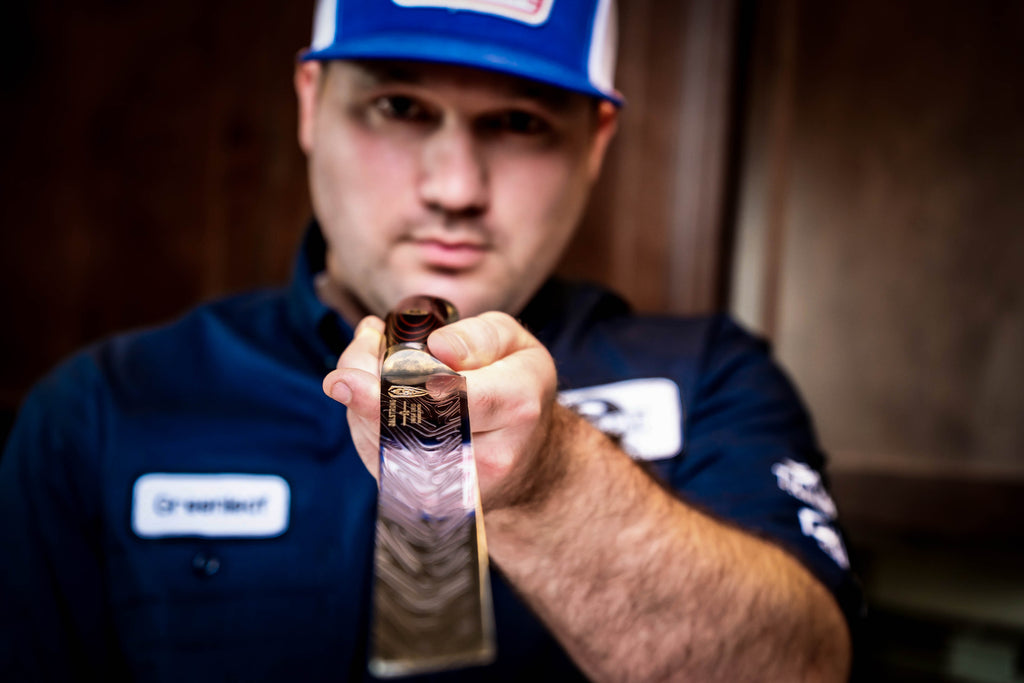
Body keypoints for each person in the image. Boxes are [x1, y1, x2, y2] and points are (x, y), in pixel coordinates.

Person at [0, 0, 860, 680]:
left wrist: (554, 483)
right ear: (311, 105)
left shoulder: (712, 379)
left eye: (519, 122)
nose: (455, 188)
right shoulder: (104, 409)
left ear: (596, 143)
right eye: (399, 106)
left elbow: (805, 668)